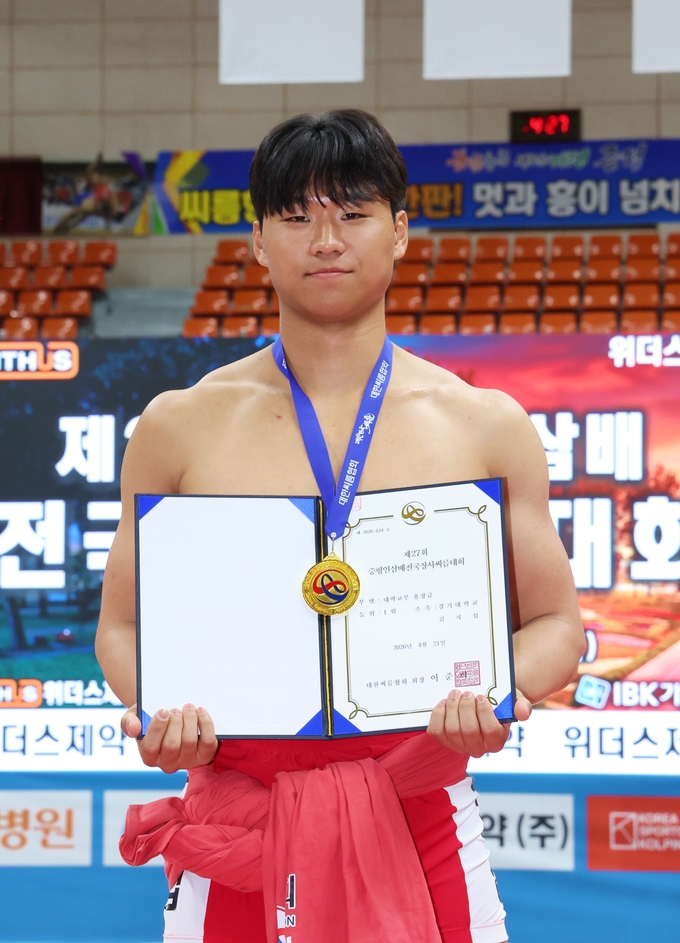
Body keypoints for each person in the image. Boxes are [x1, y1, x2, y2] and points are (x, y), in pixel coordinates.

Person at [96, 109, 585, 943]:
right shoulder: (179, 425)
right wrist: (157, 705)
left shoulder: (484, 424)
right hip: (239, 816)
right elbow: (121, 626)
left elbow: (556, 623)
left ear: (400, 231)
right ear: (258, 240)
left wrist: (499, 691)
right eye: (296, 216)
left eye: (352, 213)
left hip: (422, 815)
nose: (325, 239)